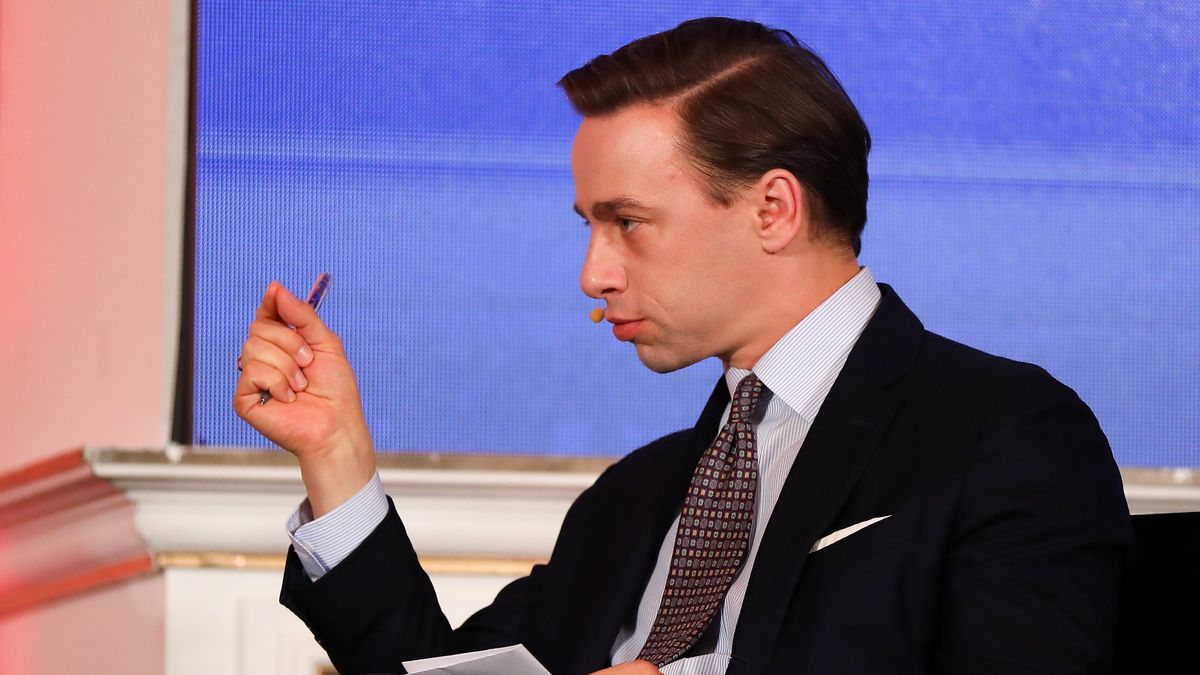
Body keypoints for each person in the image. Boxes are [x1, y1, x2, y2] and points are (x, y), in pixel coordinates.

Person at [234, 17, 1132, 675]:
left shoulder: (1002, 435)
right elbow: (434, 668)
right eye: (590, 224)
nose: (593, 272)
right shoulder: (633, 499)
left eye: (628, 223)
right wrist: (336, 452)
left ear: (773, 209)